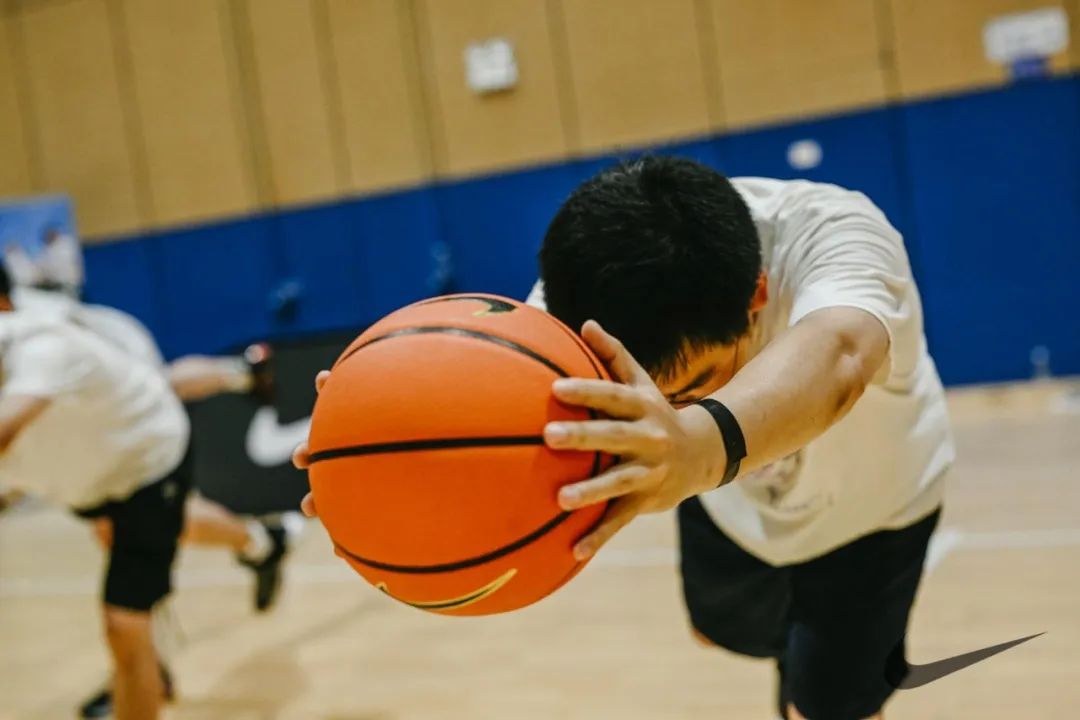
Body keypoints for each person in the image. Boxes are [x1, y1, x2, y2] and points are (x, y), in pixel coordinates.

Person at [296, 157, 953, 720]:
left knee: (822, 707)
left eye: (692, 388)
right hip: (730, 510)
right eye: (649, 403)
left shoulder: (834, 232)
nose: (661, 420)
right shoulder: (562, 318)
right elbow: (464, 424)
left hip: (875, 511)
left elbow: (839, 353)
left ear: (758, 294)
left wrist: (698, 443)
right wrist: (369, 457)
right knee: (717, 630)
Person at [0, 264, 190, 720]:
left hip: (146, 459)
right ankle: (264, 542)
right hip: (82, 480)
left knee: (123, 623)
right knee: (122, 547)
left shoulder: (44, 344)